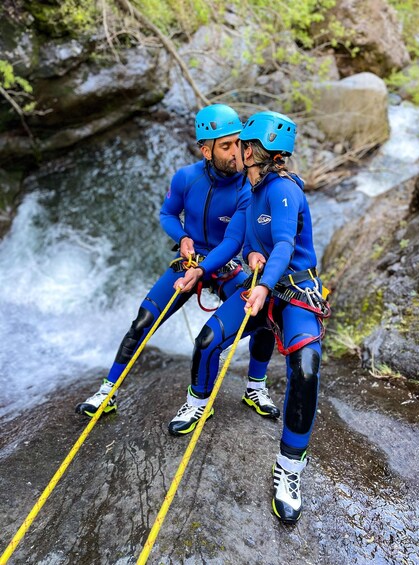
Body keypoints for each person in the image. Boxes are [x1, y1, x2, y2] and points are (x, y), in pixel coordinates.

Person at [76, 104, 279, 434]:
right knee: (143, 321)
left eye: (239, 143)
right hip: (190, 261)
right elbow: (167, 213)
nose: (237, 153)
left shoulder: (247, 186)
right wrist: (183, 237)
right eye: (226, 146)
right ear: (206, 150)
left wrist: (205, 268)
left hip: (224, 265)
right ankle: (107, 391)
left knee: (264, 317)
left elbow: (232, 240)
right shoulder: (186, 178)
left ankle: (255, 387)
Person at [174, 110, 329, 523]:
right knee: (208, 340)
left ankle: (290, 468)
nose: (236, 150)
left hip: (293, 292)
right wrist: (206, 269)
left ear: (255, 151)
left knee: (306, 368)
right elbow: (236, 241)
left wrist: (263, 285)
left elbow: (284, 244)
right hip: (263, 285)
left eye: (243, 144)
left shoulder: (283, 191)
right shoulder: (251, 187)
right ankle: (197, 403)